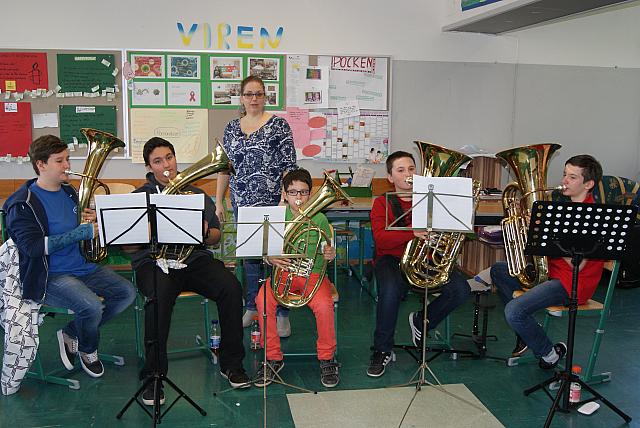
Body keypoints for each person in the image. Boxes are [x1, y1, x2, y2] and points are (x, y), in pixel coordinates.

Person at [129, 137, 250, 406]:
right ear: (149, 167)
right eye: (158, 161)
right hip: (154, 261)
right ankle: (154, 376)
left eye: (169, 157)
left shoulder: (195, 194)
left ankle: (232, 364)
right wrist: (145, 232)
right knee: (158, 297)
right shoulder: (139, 197)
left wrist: (205, 232)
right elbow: (129, 246)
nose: (166, 165)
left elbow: (216, 237)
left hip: (193, 259)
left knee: (231, 288)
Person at [3, 135, 135, 379]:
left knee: (127, 293)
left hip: (82, 266)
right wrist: (80, 233)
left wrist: (90, 219)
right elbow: (32, 247)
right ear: (41, 165)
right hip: (48, 275)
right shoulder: (22, 203)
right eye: (59, 161)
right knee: (92, 307)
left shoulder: (69, 192)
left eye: (67, 159)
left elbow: (79, 227)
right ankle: (88, 349)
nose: (67, 165)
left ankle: (72, 332)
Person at [490, 154, 604, 369]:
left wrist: (547, 233)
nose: (564, 181)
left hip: (572, 284)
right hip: (552, 274)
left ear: (588, 184)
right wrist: (531, 231)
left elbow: (577, 265)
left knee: (514, 311)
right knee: (499, 270)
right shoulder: (564, 210)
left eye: (572, 177)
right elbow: (542, 249)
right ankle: (526, 330)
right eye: (564, 174)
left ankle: (549, 353)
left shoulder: (593, 218)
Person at [366, 151, 472, 377]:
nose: (408, 174)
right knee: (390, 291)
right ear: (390, 177)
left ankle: (422, 321)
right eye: (400, 170)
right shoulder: (382, 203)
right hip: (391, 259)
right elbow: (380, 239)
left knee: (461, 289)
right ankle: (381, 350)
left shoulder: (431, 201)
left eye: (412, 169)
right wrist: (412, 233)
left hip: (425, 258)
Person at [217, 75, 297, 338]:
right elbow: (224, 168)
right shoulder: (231, 128)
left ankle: (282, 312)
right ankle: (252, 307)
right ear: (241, 98)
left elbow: (289, 167)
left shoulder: (279, 126)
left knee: (278, 259)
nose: (254, 99)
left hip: (275, 204)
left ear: (265, 97)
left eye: (259, 94)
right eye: (249, 94)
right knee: (251, 261)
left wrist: (286, 198)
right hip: (242, 204)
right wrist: (219, 201)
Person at [254, 169, 340, 388]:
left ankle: (327, 357)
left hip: (313, 276)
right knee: (262, 300)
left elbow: (327, 249)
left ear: (310, 193)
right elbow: (264, 251)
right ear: (284, 194)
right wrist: (269, 257)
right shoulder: (276, 218)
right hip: (283, 275)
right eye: (293, 192)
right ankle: (272, 357)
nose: (299, 197)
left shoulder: (319, 218)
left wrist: (330, 253)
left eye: (303, 192)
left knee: (325, 305)